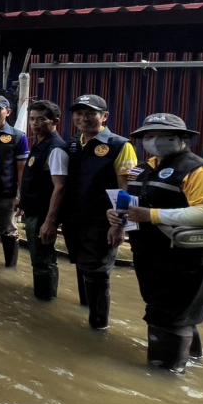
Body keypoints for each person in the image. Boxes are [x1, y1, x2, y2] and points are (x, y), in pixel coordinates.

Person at [108, 113, 203, 372]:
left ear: (181, 139)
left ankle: (166, 376)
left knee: (170, 319)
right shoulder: (144, 168)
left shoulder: (199, 170)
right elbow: (133, 203)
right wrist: (117, 221)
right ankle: (190, 362)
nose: (152, 141)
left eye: (161, 136)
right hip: (152, 257)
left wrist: (153, 216)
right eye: (148, 136)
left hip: (188, 261)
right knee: (169, 313)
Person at [62, 94, 137, 330]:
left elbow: (126, 188)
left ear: (104, 117)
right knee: (82, 266)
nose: (83, 118)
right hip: (75, 219)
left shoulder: (119, 145)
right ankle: (86, 312)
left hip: (103, 221)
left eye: (90, 113)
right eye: (79, 113)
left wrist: (119, 224)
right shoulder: (74, 144)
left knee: (98, 273)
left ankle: (98, 327)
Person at [18, 100, 68, 301]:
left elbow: (60, 186)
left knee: (43, 261)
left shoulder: (55, 148)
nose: (35, 123)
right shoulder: (39, 143)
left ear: (55, 121)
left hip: (43, 215)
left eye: (41, 119)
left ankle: (45, 301)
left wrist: (50, 221)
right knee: (38, 258)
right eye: (32, 119)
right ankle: (42, 297)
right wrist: (21, 200)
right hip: (33, 211)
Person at [0, 95, 29, 266]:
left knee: (8, 231)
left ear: (8, 112)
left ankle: (10, 268)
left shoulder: (18, 137)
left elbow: (21, 169)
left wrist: (21, 196)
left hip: (6, 194)